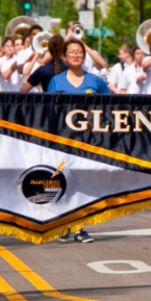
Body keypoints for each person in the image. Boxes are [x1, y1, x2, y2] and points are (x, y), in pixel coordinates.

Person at [47, 39, 109, 243]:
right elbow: (46, 110)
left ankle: (80, 228)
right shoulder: (56, 81)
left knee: (83, 182)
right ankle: (64, 225)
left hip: (88, 141)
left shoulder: (95, 81)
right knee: (64, 181)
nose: (76, 55)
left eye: (79, 52)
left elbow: (110, 107)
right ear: (65, 56)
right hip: (62, 140)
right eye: (72, 52)